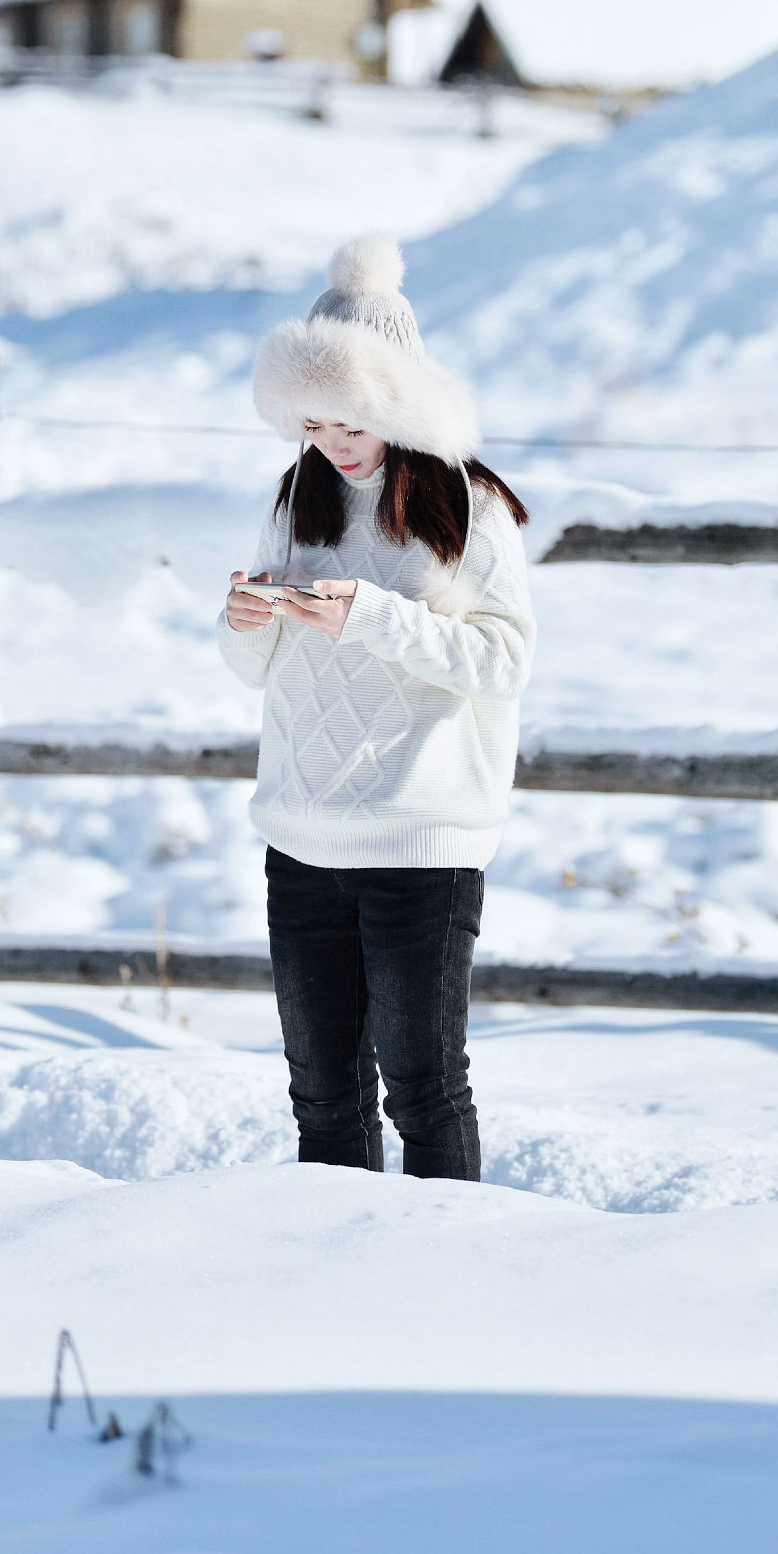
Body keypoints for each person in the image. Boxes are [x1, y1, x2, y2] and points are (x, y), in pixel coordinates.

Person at [217, 235, 535, 1181]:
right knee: (321, 1094)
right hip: (302, 838)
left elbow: (503, 662)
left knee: (424, 1087)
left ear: (398, 398)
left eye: (346, 420)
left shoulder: (470, 509)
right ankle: (335, 1282)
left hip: (419, 844)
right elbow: (259, 669)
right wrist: (244, 621)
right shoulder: (297, 497)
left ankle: (445, 1284)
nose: (329, 443)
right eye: (309, 423)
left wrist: (374, 618)